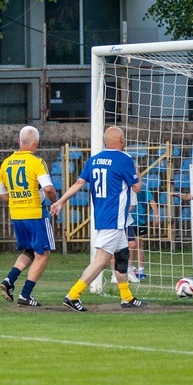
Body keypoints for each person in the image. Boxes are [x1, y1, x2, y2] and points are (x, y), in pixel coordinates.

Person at [50, 126, 144, 312]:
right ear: (119, 140)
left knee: (122, 256)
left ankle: (126, 297)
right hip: (114, 218)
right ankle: (73, 295)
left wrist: (60, 201)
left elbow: (79, 183)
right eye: (123, 139)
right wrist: (137, 171)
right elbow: (137, 187)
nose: (125, 142)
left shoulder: (93, 160)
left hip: (103, 216)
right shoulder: (124, 159)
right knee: (101, 260)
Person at [0, 126, 57, 307]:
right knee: (43, 254)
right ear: (36, 144)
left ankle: (9, 280)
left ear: (19, 142)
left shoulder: (6, 162)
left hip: (17, 214)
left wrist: (16, 200)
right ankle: (25, 295)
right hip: (35, 213)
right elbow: (47, 188)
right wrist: (54, 201)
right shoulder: (36, 162)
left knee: (29, 251)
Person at [124, 185, 159, 282]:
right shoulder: (125, 186)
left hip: (139, 220)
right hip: (125, 219)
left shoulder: (143, 188)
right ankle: (126, 268)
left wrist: (156, 215)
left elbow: (151, 200)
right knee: (127, 245)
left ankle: (140, 270)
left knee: (139, 243)